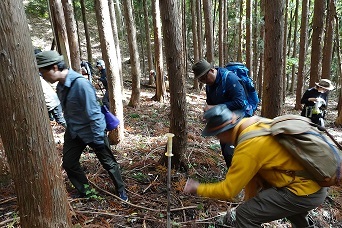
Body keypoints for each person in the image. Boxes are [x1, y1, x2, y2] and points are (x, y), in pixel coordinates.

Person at [183, 104, 327, 227]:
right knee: (285, 207)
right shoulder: (254, 124)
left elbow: (228, 191)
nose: (218, 138)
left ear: (224, 131)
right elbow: (254, 178)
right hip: (309, 185)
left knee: (245, 215)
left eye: (217, 134)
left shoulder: (247, 148)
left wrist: (198, 188)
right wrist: (249, 201)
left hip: (303, 191)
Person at [35, 51, 128, 201]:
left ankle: (121, 190)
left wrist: (98, 140)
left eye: (43, 71)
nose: (42, 76)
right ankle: (86, 191)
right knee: (69, 163)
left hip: (93, 131)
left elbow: (94, 114)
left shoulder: (81, 84)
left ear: (54, 68)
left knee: (109, 163)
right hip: (74, 133)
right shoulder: (60, 86)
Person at [192, 58, 248, 168]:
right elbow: (210, 103)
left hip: (239, 119)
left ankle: (240, 179)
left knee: (232, 152)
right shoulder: (209, 85)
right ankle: (234, 178)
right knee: (226, 152)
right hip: (224, 122)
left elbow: (240, 102)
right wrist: (208, 115)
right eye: (201, 80)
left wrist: (218, 107)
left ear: (212, 70)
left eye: (204, 77)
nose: (204, 81)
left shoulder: (230, 79)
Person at [35, 48, 66, 128]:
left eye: (43, 73)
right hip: (51, 104)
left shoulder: (79, 84)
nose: (44, 76)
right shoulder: (60, 86)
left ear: (55, 68)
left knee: (61, 121)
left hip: (52, 103)